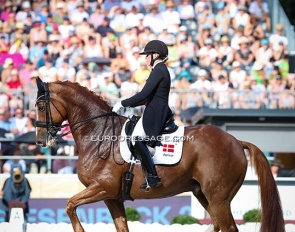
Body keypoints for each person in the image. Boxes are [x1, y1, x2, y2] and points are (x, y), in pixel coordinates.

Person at [112, 40, 173, 189]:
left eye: (147, 55)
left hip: (156, 111)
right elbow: (145, 97)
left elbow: (144, 94)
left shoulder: (159, 70)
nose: (145, 58)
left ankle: (153, 176)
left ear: (155, 55)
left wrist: (123, 103)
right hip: (154, 109)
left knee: (136, 139)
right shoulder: (158, 70)